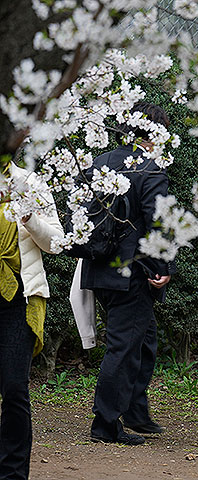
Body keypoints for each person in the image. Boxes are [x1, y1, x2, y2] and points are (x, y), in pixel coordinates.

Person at [82, 102, 176, 445]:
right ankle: (105, 423)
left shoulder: (101, 161)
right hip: (132, 273)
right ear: (155, 134)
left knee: (144, 340)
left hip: (98, 269)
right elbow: (158, 221)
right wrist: (162, 267)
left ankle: (136, 410)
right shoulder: (150, 168)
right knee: (123, 347)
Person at [0, 160, 63, 479]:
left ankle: (12, 473)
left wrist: (29, 217)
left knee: (13, 387)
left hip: (20, 299)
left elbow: (56, 244)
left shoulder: (30, 183)